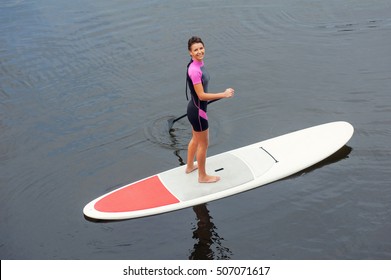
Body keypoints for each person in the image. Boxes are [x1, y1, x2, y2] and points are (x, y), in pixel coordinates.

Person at [185, 36, 235, 183]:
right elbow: (201, 95)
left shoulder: (196, 64)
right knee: (203, 144)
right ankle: (202, 176)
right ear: (190, 52)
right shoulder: (195, 70)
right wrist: (224, 94)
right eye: (195, 50)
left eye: (201, 48)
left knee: (195, 139)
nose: (199, 51)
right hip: (198, 112)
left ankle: (189, 167)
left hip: (193, 109)